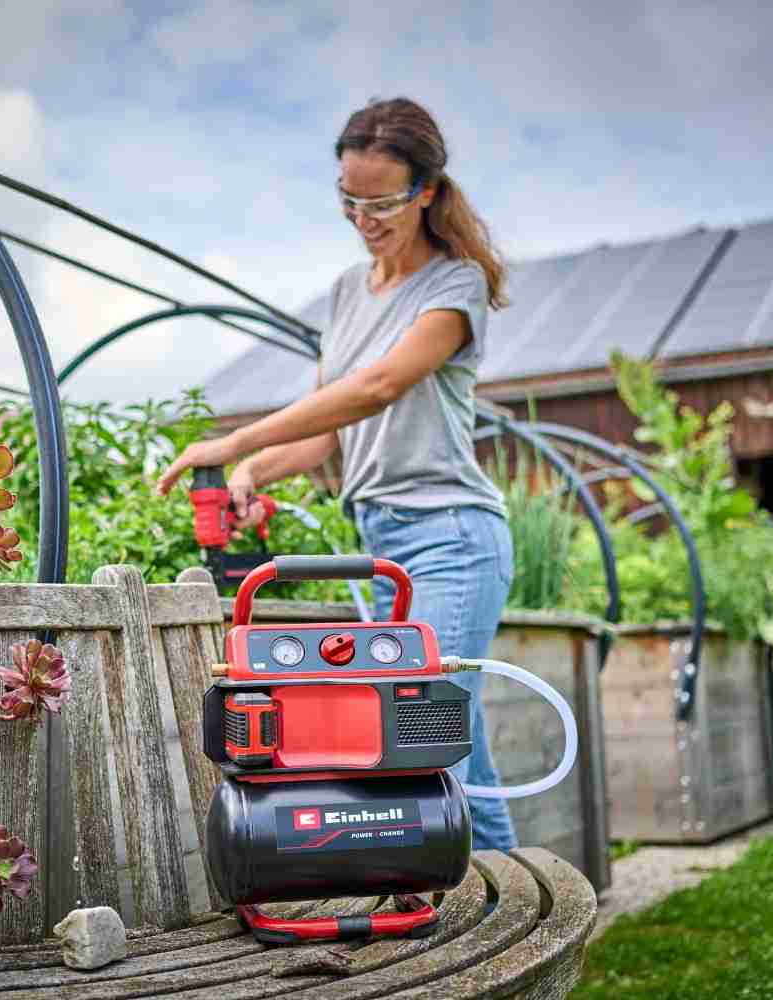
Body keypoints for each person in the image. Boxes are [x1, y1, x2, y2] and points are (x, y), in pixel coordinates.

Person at [156, 97, 516, 851]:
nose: (364, 217)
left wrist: (231, 441)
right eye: (349, 199)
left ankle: (481, 901)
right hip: (385, 541)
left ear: (425, 190)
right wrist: (255, 470)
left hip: (452, 535)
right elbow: (327, 429)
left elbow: (376, 388)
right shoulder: (349, 292)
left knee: (425, 719)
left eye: (382, 200)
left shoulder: (455, 286)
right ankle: (502, 893)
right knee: (454, 728)